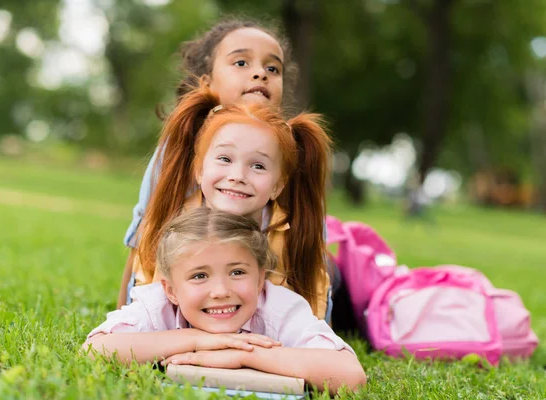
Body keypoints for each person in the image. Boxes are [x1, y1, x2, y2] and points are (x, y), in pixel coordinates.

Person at [117, 17, 333, 310]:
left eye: (273, 68)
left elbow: (313, 262)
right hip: (211, 278)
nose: (260, 74)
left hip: (276, 280)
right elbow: (143, 239)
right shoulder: (177, 150)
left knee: (337, 270)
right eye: (241, 63)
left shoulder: (292, 152)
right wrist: (122, 314)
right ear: (206, 81)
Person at [86, 208, 366, 394]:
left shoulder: (279, 308)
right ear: (171, 290)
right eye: (199, 276)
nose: (220, 290)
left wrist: (243, 354)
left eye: (237, 272)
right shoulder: (158, 304)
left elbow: (351, 378)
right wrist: (196, 340)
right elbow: (95, 350)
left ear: (259, 280)